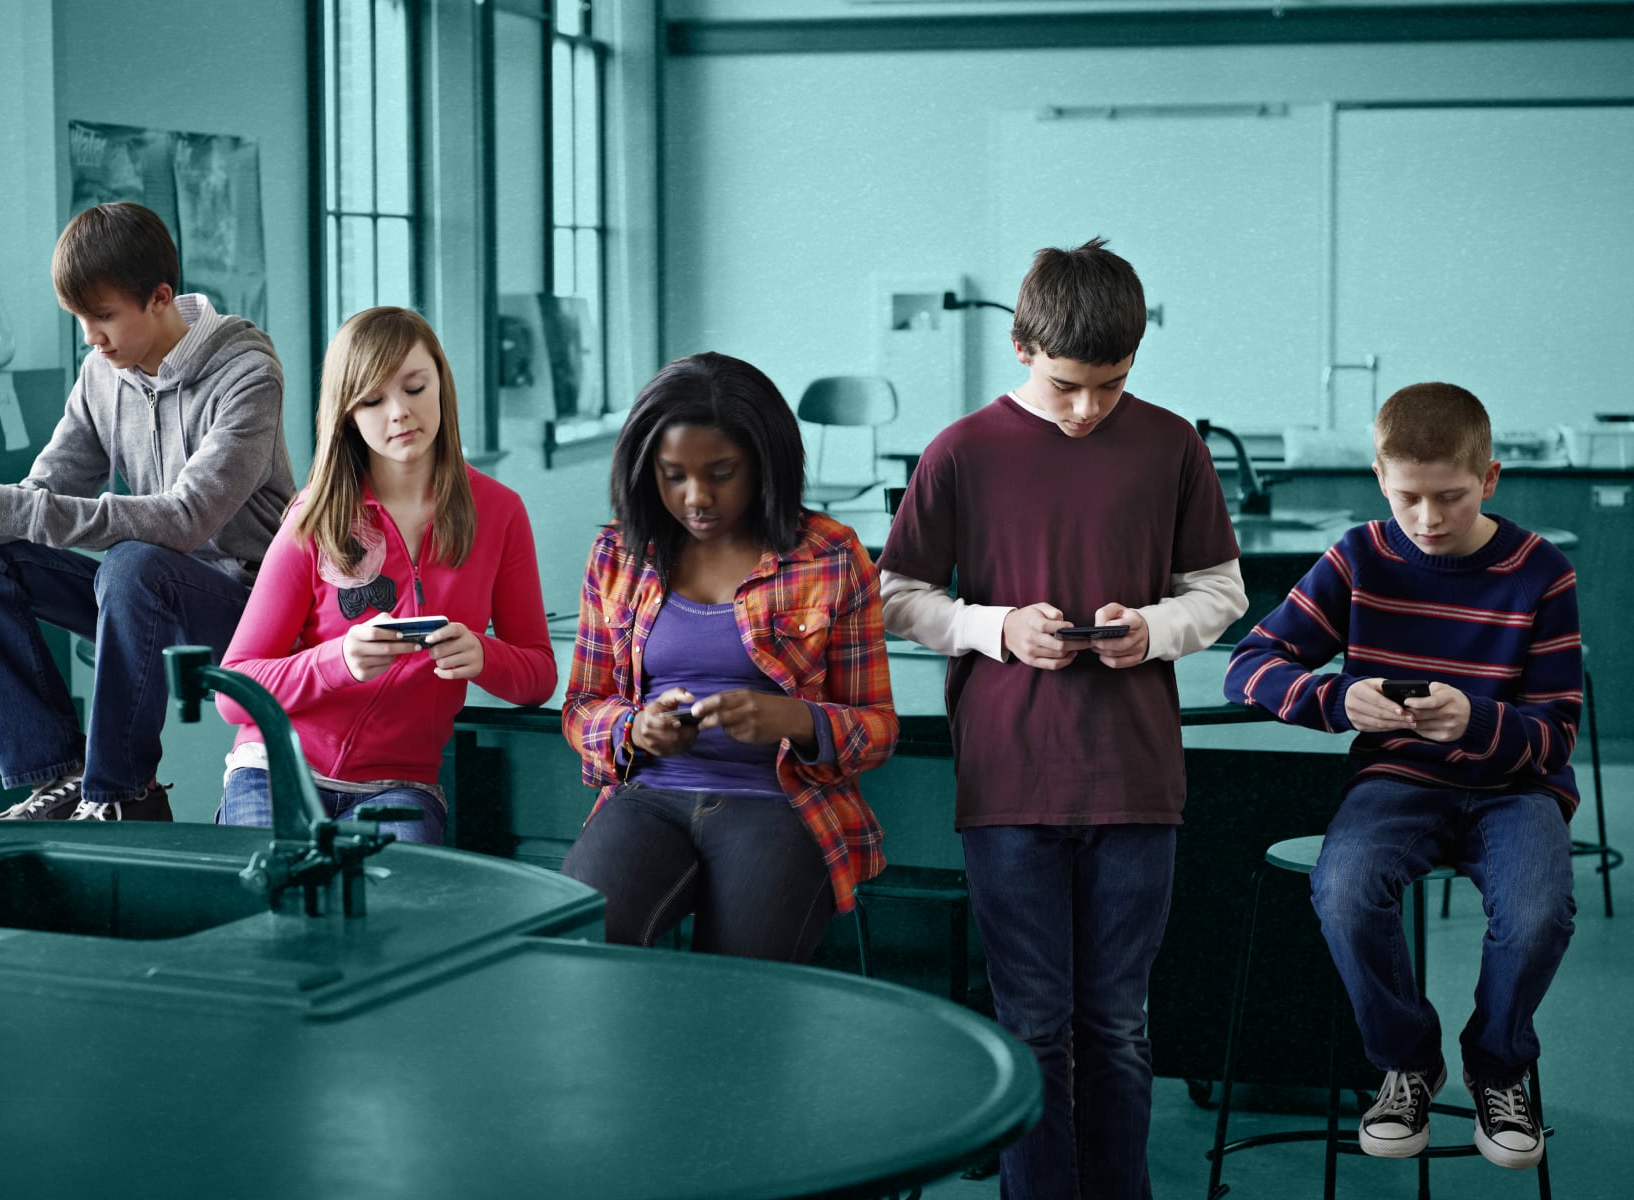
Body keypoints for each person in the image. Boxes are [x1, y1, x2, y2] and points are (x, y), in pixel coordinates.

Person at [879, 238, 1247, 1200]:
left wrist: (1155, 628)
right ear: (1021, 347)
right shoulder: (960, 452)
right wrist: (994, 627)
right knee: (1034, 1021)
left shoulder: (1171, 443)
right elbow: (895, 596)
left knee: (1118, 1023)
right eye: (1071, 384)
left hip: (1135, 777)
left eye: (1114, 384)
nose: (1090, 409)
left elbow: (1220, 589)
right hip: (1007, 775)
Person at [1224, 381, 1579, 1171]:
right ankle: (1407, 1063)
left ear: (1488, 480)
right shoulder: (1359, 556)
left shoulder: (1542, 572)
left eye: (1450, 497)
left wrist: (1479, 723)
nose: (1428, 519)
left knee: (1538, 914)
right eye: (1408, 497)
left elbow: (1555, 736)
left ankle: (1500, 1065)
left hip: (1515, 791)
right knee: (1345, 890)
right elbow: (1249, 667)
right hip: (1396, 782)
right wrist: (1339, 697)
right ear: (1380, 479)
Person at [0, 201, 295, 821]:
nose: (89, 335)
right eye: (79, 317)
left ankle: (121, 792)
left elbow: (186, 519)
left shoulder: (248, 375)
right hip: (135, 597)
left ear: (160, 298)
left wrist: (7, 508)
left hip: (244, 608)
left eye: (103, 316)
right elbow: (44, 488)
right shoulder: (102, 373)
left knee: (134, 562)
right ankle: (62, 774)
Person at [561, 351, 898, 963]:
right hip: (648, 799)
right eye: (672, 475)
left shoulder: (830, 554)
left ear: (764, 466)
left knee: (735, 988)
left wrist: (794, 721)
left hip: (780, 803)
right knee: (576, 948)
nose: (696, 499)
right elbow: (582, 707)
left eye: (722, 473)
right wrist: (634, 727)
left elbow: (877, 729)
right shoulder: (617, 553)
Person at [213, 307, 555, 845]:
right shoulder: (314, 516)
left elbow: (538, 675)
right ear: (347, 414)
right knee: (274, 911)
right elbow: (233, 692)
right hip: (275, 769)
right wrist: (338, 661)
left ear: (441, 381)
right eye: (372, 400)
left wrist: (484, 656)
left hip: (399, 787)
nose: (400, 412)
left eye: (415, 387)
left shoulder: (501, 512)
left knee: (395, 919)